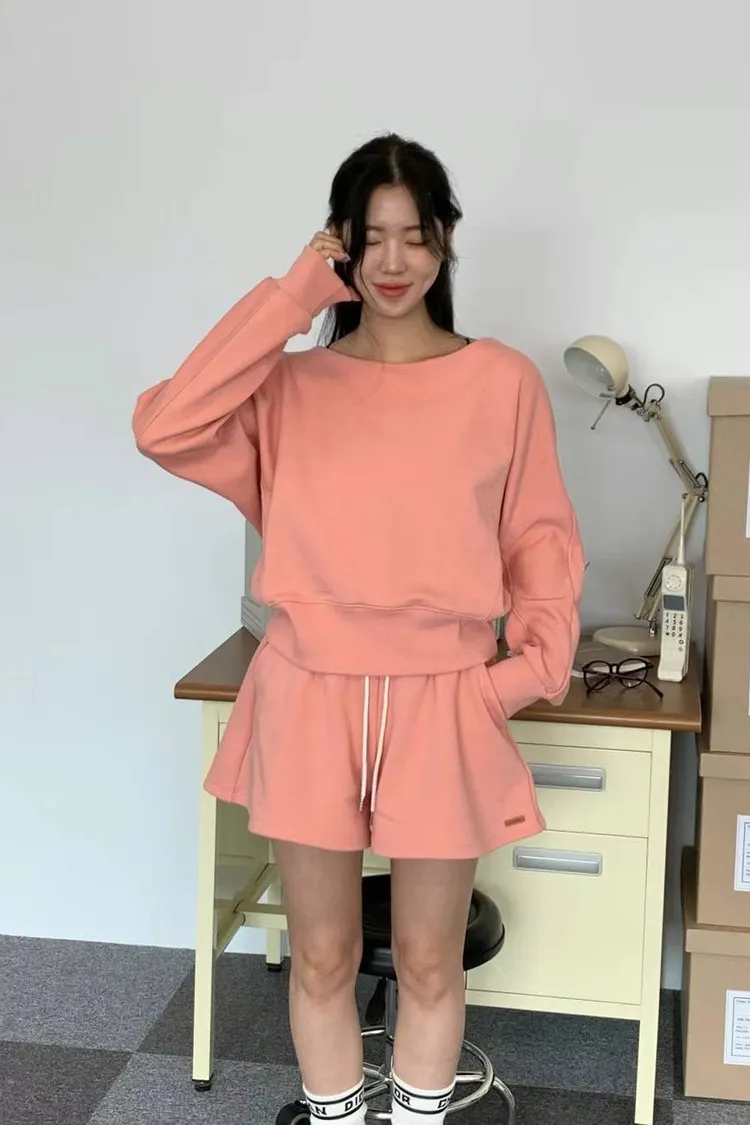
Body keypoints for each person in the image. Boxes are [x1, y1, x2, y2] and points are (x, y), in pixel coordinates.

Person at [133, 133, 584, 1125]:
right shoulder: (291, 388)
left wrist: (517, 677)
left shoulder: (501, 381)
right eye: (368, 238)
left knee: (427, 958)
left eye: (413, 236)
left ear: (446, 239)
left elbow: (542, 540)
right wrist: (294, 296)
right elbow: (164, 425)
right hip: (310, 688)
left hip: (443, 697)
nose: (392, 261)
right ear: (337, 243)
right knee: (324, 954)